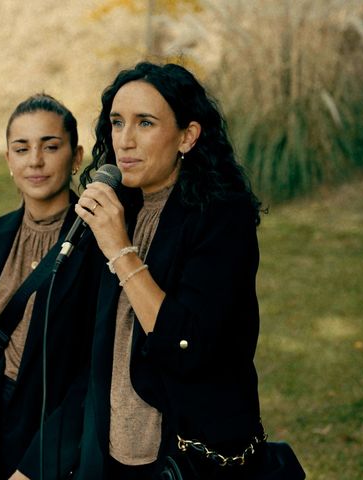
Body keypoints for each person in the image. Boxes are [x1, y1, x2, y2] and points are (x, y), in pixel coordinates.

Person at [74, 62, 266, 479]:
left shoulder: (220, 217)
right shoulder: (121, 206)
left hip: (187, 454)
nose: (124, 140)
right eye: (117, 122)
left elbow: (189, 344)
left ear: (187, 136)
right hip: (114, 452)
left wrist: (120, 250)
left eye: (145, 123)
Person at [0, 94, 100, 480]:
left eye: (51, 146)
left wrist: (40, 464)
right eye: (22, 148)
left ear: (77, 156)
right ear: (8, 160)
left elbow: (98, 370)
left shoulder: (100, 243)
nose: (35, 160)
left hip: (60, 439)